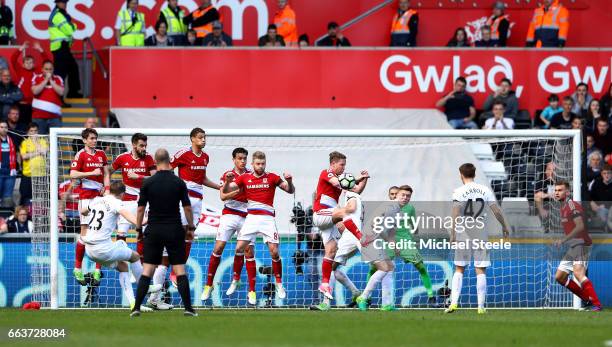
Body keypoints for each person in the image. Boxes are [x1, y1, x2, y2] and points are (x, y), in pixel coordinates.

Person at [222, 151, 295, 305]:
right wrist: (228, 182)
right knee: (238, 249)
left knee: (274, 251)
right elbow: (227, 191)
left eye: (263, 164)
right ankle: (235, 279)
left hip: (268, 219)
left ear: (265, 163)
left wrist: (290, 181)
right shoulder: (244, 177)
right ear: (252, 164)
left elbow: (290, 190)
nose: (260, 166)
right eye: (257, 164)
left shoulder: (272, 177)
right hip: (252, 218)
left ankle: (279, 284)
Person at [131, 148, 197, 317]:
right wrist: (190, 227)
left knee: (147, 270)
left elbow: (140, 210)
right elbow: (187, 208)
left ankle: (137, 308)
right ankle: (188, 309)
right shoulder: (178, 182)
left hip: (153, 229)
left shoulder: (147, 182)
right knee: (180, 270)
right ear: (169, 161)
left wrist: (138, 229)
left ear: (155, 161)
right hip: (174, 229)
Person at [82, 182, 160, 311]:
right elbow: (132, 219)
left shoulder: (97, 200)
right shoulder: (116, 203)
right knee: (134, 256)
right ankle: (145, 287)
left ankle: (134, 304)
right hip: (103, 249)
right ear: (123, 194)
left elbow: (83, 211)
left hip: (89, 250)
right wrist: (145, 220)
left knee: (123, 266)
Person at [444, 163, 510, 314]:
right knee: (480, 269)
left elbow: (455, 212)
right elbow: (496, 210)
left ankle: (453, 303)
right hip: (480, 233)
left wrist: (453, 233)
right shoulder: (485, 190)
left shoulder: (459, 191)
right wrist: (504, 226)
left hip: (463, 233)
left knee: (459, 268)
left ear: (461, 174)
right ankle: (480, 307)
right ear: (475, 174)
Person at [165, 128, 219, 288]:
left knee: (190, 233)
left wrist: (219, 187)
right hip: (184, 198)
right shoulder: (183, 154)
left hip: (198, 200)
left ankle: (176, 271)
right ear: (192, 139)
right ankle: (169, 265)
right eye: (200, 138)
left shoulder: (205, 158)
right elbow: (168, 169)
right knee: (179, 232)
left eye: (204, 138)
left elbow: (202, 179)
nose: (203, 140)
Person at [312, 151, 369, 300]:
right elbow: (338, 183)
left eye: (345, 165)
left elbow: (356, 190)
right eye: (342, 164)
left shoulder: (341, 178)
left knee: (331, 251)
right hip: (321, 214)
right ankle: (360, 238)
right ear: (333, 164)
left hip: (330, 218)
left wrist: (364, 180)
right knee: (345, 213)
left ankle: (325, 285)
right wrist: (356, 178)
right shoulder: (327, 173)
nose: (344, 167)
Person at [202, 148, 254, 301]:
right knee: (218, 248)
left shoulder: (251, 174)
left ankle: (249, 289)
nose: (242, 161)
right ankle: (208, 285)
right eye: (239, 158)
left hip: (247, 217)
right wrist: (236, 188)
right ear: (234, 160)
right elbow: (222, 197)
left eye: (244, 158)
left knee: (248, 252)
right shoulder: (227, 175)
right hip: (230, 214)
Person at [312, 188, 365, 311]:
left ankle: (326, 304)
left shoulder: (344, 206)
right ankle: (357, 294)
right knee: (334, 269)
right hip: (356, 238)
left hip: (351, 238)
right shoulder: (353, 201)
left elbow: (342, 225)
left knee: (329, 267)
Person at [69, 128, 110, 286]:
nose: (94, 141)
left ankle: (97, 270)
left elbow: (106, 173)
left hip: (100, 197)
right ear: (85, 140)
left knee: (101, 232)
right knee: (85, 234)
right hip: (85, 197)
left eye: (95, 138)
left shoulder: (101, 154)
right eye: (91, 138)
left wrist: (106, 189)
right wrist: (91, 173)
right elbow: (72, 174)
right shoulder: (80, 154)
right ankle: (77, 267)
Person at [553, 181, 601, 311]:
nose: (557, 192)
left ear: (567, 192)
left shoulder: (572, 206)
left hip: (581, 243)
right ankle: (587, 299)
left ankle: (596, 304)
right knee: (560, 277)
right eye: (556, 190)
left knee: (578, 273)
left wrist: (563, 240)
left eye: (560, 190)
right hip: (574, 246)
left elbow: (580, 226)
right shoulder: (563, 207)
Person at [386, 185, 435, 304]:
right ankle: (366, 297)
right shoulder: (387, 208)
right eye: (403, 195)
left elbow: (413, 224)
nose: (405, 197)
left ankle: (431, 296)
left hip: (405, 241)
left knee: (421, 266)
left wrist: (415, 230)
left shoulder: (410, 208)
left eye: (408, 196)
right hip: (389, 241)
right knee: (376, 269)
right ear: (397, 195)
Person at [110, 133, 156, 244]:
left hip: (145, 199)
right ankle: (121, 260)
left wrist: (138, 176)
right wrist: (106, 187)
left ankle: (141, 260)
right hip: (128, 200)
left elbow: (156, 178)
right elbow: (107, 171)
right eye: (141, 145)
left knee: (144, 232)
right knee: (122, 232)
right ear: (133, 145)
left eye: (145, 145)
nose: (144, 148)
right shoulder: (123, 158)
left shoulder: (149, 158)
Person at [48, 0, 82, 99]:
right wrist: (74, 25)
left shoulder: (61, 14)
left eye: (65, 2)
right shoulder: (58, 15)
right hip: (59, 47)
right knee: (60, 73)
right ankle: (58, 98)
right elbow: (69, 30)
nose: (64, 4)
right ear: (57, 3)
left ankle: (73, 93)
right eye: (62, 2)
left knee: (73, 68)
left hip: (63, 47)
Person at [11, 42, 50, 125]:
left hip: (34, 104)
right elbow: (13, 59)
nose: (29, 64)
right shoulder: (20, 70)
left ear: (34, 64)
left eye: (31, 62)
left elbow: (47, 62)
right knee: (21, 124)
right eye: (27, 63)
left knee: (32, 125)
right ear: (23, 64)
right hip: (22, 104)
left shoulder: (38, 71)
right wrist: (22, 48)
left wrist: (40, 49)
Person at [31, 60, 64, 134]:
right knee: (39, 141)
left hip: (55, 117)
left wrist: (51, 80)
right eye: (46, 69)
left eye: (50, 69)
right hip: (38, 117)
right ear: (42, 69)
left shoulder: (58, 78)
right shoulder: (36, 78)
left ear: (53, 69)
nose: (48, 71)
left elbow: (61, 92)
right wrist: (46, 80)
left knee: (55, 141)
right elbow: (35, 91)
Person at [19, 123, 48, 206]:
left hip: (41, 174)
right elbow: (24, 156)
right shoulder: (25, 142)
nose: (34, 133)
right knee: (26, 197)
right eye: (31, 131)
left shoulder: (42, 141)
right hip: (28, 175)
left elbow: (44, 152)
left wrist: (35, 143)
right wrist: (38, 152)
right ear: (28, 132)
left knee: (41, 197)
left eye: (35, 131)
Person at [589, 165, 612, 231]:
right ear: (601, 174)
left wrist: (605, 205)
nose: (606, 175)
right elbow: (590, 196)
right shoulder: (596, 182)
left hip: (610, 208)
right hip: (599, 208)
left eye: (609, 173)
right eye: (604, 173)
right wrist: (591, 203)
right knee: (603, 215)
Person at [0, 120, 17, 208]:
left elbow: (17, 153)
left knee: (7, 198)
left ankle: (5, 218)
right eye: (1, 127)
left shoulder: (12, 139)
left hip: (10, 172)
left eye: (5, 127)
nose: (3, 129)